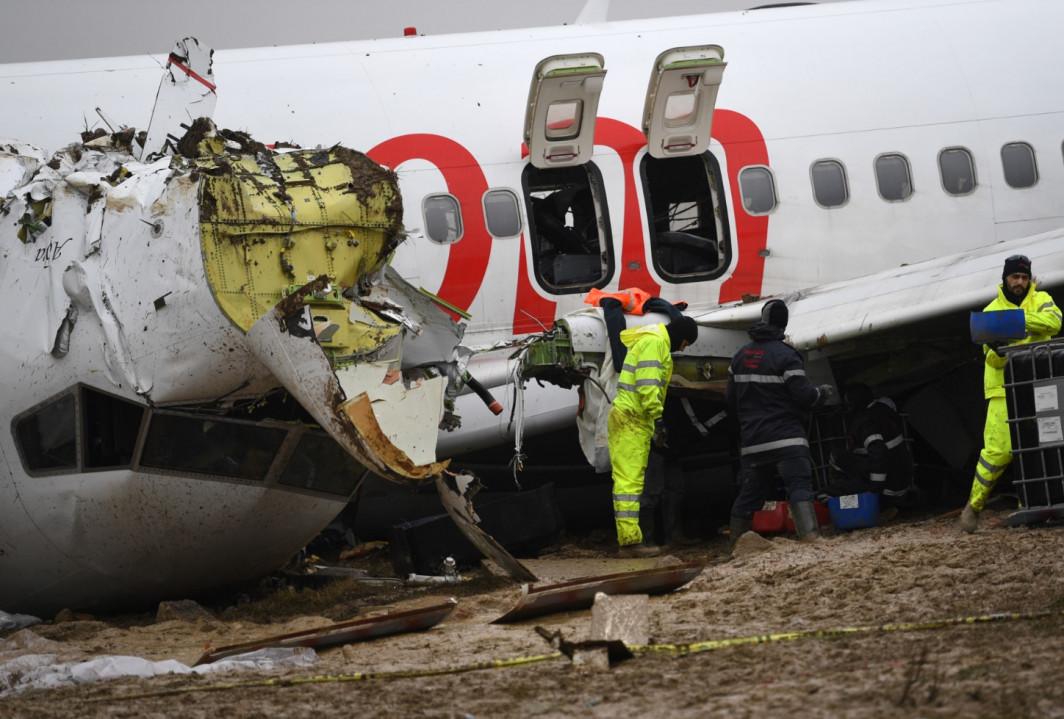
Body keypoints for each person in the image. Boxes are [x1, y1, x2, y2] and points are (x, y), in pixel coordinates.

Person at [960, 254, 1061, 532]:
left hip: (1040, 383)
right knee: (998, 451)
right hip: (1004, 389)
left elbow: (1054, 323)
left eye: (1024, 277)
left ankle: (1032, 503)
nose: (1020, 282)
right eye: (1015, 277)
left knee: (1047, 442)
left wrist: (1016, 322)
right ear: (1005, 278)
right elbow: (991, 359)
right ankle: (974, 506)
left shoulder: (1041, 299)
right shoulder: (991, 310)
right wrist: (996, 348)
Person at [727, 299, 834, 546]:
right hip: (787, 438)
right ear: (784, 323)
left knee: (751, 492)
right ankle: (809, 535)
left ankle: (736, 543)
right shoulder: (787, 356)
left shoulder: (739, 357)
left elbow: (730, 400)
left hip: (753, 443)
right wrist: (823, 394)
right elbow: (804, 396)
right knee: (798, 483)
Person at [608, 314, 699, 556]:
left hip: (633, 419)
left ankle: (631, 540)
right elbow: (647, 384)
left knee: (631, 481)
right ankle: (629, 543)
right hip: (632, 418)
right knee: (629, 483)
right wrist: (658, 418)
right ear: (682, 338)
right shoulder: (656, 343)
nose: (683, 349)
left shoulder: (652, 339)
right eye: (686, 344)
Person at [823, 384, 915, 516]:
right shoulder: (883, 409)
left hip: (885, 488)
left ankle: (855, 508)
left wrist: (874, 490)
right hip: (901, 482)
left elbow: (879, 454)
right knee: (842, 457)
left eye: (848, 404)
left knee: (825, 493)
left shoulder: (866, 422)